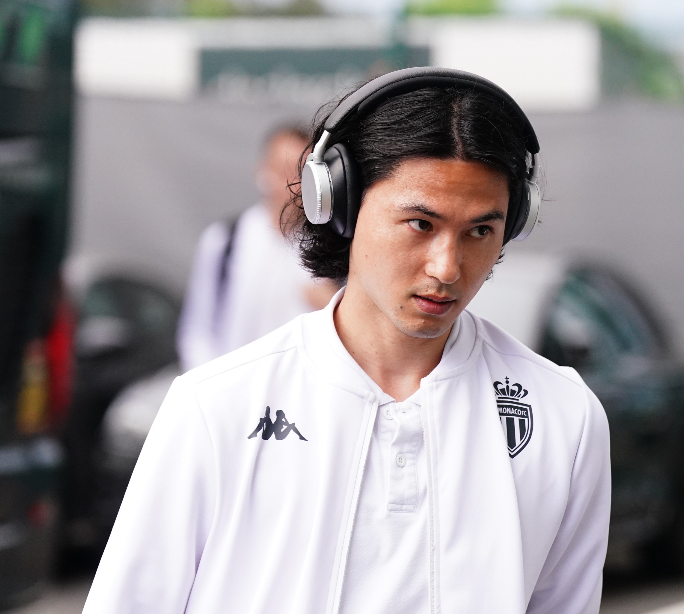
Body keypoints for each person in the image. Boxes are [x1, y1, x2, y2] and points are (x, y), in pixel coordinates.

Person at [84, 67, 611, 614]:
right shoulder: (213, 407)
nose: (447, 267)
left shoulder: (564, 419)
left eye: (480, 230)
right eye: (420, 224)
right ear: (340, 205)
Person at [176, 123, 338, 371]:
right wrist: (213, 381)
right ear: (263, 171)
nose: (292, 184)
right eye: (283, 171)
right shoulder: (226, 240)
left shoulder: (328, 248)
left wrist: (332, 305)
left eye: (301, 173)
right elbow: (197, 329)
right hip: (230, 382)